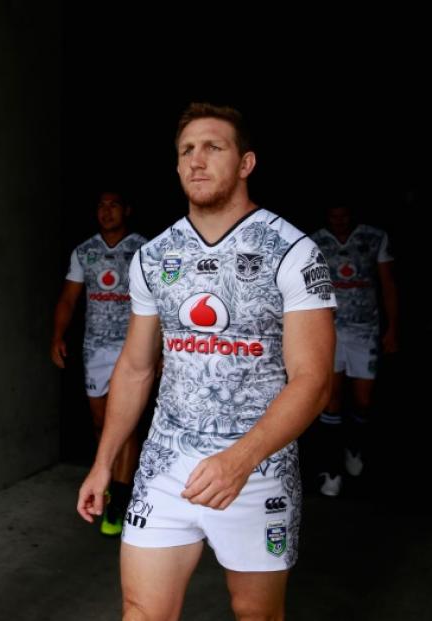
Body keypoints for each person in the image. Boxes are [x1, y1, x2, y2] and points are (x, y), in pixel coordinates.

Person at [77, 103, 336, 620]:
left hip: (256, 469)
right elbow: (135, 367)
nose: (197, 160)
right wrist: (104, 463)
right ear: (176, 167)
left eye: (213, 147)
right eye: (186, 151)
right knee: (142, 611)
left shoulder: (293, 252)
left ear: (245, 163)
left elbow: (313, 380)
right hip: (165, 468)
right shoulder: (154, 256)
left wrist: (239, 460)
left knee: (255, 614)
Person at [52, 191, 147, 535]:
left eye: (114, 205)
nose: (106, 212)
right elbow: (68, 298)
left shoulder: (143, 250)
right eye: (101, 206)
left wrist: (162, 349)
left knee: (126, 423)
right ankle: (107, 474)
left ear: (127, 209)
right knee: (101, 422)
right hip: (95, 348)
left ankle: (119, 501)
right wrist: (57, 336)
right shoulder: (85, 251)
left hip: (133, 348)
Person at [309, 205, 397, 496]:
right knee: (330, 401)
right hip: (329, 332)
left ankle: (354, 447)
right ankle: (331, 469)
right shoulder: (315, 242)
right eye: (333, 216)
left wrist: (392, 327)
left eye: (344, 215)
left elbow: (387, 285)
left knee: (362, 400)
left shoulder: (374, 238)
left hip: (365, 330)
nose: (339, 221)